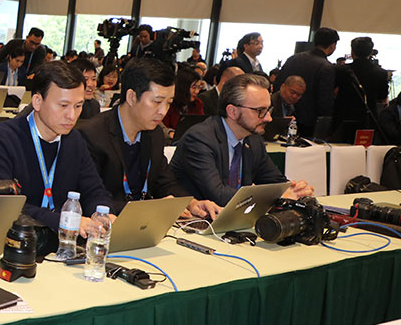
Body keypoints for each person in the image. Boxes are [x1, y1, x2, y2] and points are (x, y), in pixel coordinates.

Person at [0, 61, 112, 235]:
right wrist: (64, 220)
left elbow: (94, 190)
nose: (71, 115)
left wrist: (101, 215)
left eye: (78, 106)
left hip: (62, 242)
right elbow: (2, 205)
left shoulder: (74, 140)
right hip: (16, 239)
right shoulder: (1, 139)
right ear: (37, 102)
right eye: (63, 105)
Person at [78, 58, 220, 219]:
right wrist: (151, 208)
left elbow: (165, 182)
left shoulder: (154, 134)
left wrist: (191, 203)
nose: (163, 111)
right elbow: (91, 199)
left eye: (169, 103)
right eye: (157, 102)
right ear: (131, 97)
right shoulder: (92, 135)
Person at [170, 73, 313, 206]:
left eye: (268, 110)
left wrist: (294, 190)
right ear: (232, 111)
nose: (268, 118)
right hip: (195, 219)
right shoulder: (200, 139)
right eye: (260, 111)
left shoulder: (254, 140)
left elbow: (274, 181)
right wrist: (276, 196)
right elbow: (219, 195)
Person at [275, 27, 339, 137]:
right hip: (309, 123)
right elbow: (324, 101)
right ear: (332, 46)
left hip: (283, 117)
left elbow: (278, 85)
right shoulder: (326, 67)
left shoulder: (293, 58)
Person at [333, 36, 390, 131]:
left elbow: (332, 92)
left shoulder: (340, 70)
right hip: (368, 119)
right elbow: (382, 97)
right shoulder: (381, 73)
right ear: (370, 52)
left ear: (352, 51)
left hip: (343, 117)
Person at [161, 65, 205, 137]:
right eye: (194, 87)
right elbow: (163, 128)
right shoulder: (170, 103)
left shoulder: (197, 103)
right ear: (183, 87)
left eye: (199, 87)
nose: (197, 91)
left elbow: (201, 125)